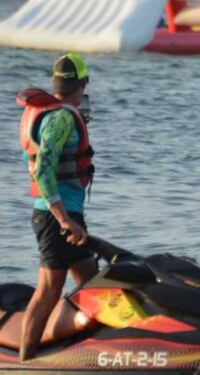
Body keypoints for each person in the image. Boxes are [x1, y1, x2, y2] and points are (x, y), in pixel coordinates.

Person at [18, 53, 97, 361]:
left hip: (66, 215)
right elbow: (43, 171)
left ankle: (90, 350)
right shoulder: (62, 118)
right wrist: (64, 220)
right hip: (56, 218)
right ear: (84, 82)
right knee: (49, 290)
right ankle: (25, 361)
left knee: (92, 284)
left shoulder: (56, 113)